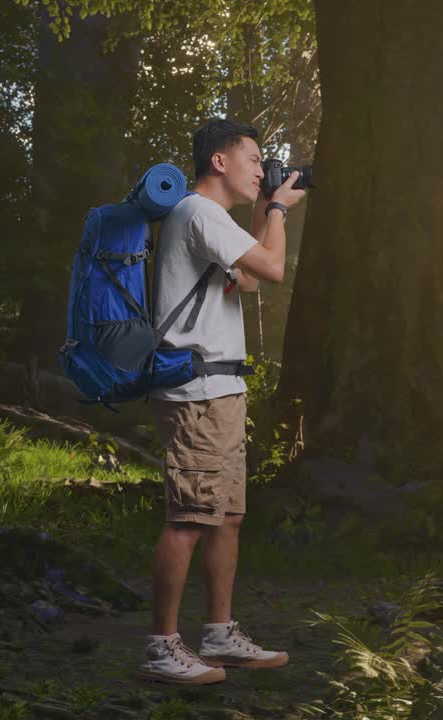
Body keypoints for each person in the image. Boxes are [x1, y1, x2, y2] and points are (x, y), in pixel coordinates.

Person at [136, 118, 306, 685]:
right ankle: (161, 645)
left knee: (226, 517)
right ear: (219, 161)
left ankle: (218, 633)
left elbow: (251, 279)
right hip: (197, 392)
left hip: (222, 389)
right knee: (189, 517)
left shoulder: (214, 222)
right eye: (254, 159)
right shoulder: (197, 212)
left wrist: (266, 210)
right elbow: (275, 269)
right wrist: (278, 210)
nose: (262, 170)